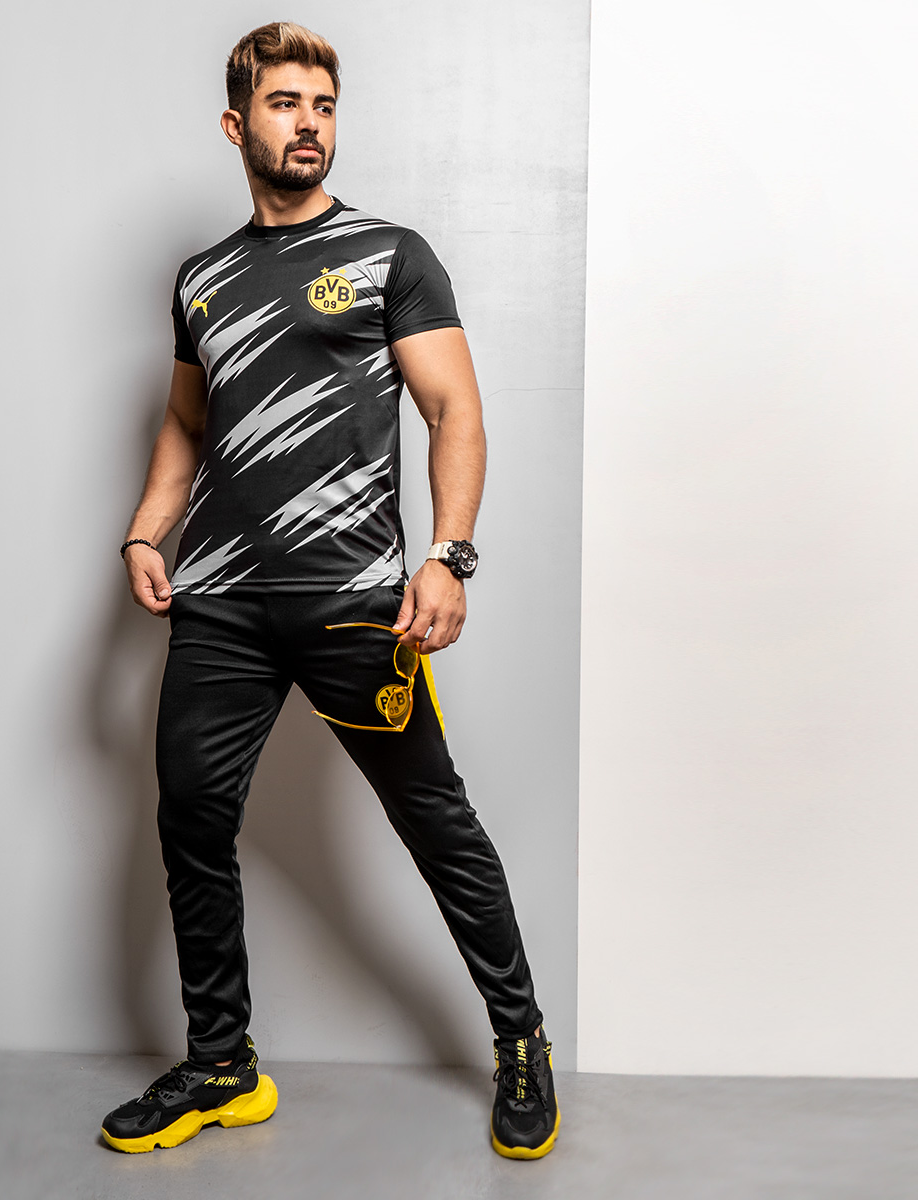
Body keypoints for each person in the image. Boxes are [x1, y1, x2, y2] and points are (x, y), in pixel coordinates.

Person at [100, 21, 558, 1161]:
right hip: (220, 603)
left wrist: (450, 555)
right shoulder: (202, 278)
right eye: (285, 103)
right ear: (236, 124)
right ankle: (222, 1065)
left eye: (323, 105)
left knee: (435, 822)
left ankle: (521, 1040)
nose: (308, 123)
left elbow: (454, 409)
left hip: (356, 602)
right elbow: (186, 423)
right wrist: (148, 530)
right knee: (192, 819)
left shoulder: (391, 254)